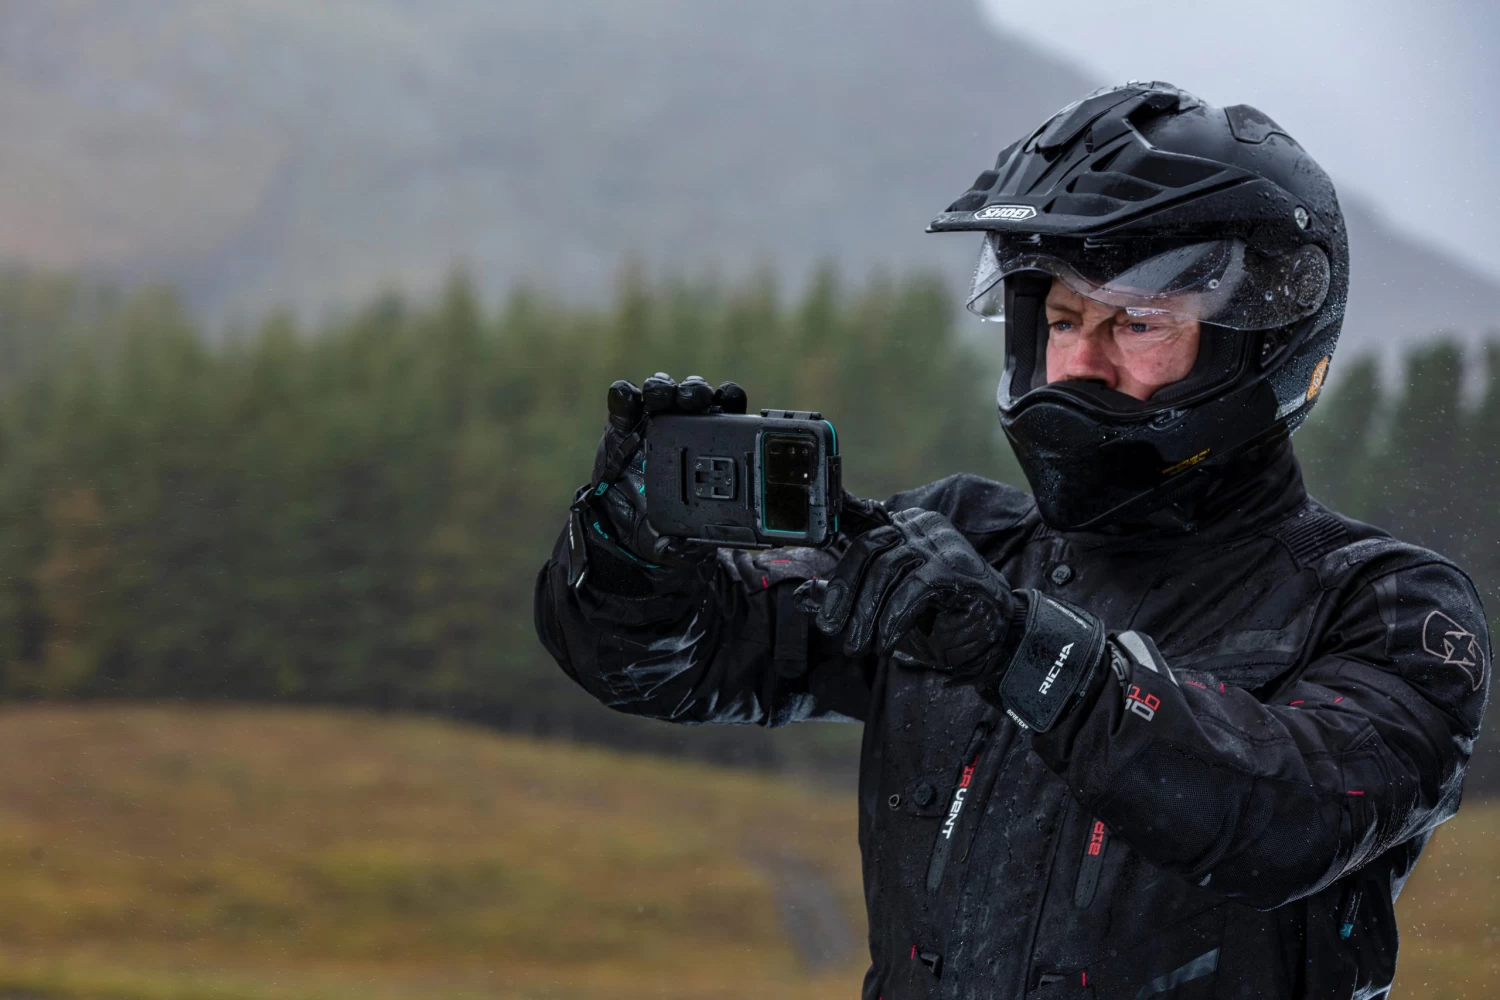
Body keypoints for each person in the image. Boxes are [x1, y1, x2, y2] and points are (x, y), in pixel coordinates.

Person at [532, 82, 1490, 999]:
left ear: (1263, 339)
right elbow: (666, 667)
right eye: (1063, 320)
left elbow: (1291, 819)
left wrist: (1020, 651)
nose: (1078, 364)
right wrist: (630, 548)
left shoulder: (1388, 608)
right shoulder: (961, 545)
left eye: (1137, 323)